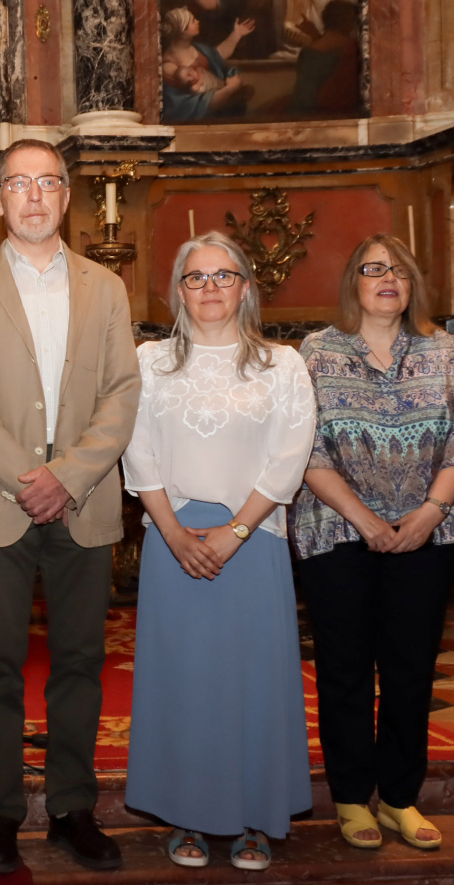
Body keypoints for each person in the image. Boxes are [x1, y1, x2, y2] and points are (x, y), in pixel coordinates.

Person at [0, 139, 139, 878]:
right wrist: (32, 477)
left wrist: (71, 475)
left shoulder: (106, 288)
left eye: (47, 183)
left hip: (84, 503)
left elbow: (123, 391)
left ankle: (72, 807)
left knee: (82, 662)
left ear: (65, 196)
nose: (33, 196)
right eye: (18, 184)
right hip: (1, 501)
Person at [121, 231, 316, 871]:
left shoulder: (280, 363)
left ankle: (257, 816)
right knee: (185, 684)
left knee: (252, 682)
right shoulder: (149, 361)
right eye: (196, 277)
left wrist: (233, 533)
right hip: (170, 537)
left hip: (252, 538)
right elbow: (138, 449)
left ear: (246, 287)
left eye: (223, 276)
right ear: (178, 290)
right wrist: (174, 532)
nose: (210, 288)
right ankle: (188, 815)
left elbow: (291, 454)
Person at [292, 235, 454, 852]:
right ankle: (352, 799)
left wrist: (430, 514)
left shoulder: (442, 351)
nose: (387, 279)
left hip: (424, 536)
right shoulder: (316, 353)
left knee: (409, 671)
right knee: (344, 670)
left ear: (412, 286)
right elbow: (305, 450)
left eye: (399, 271)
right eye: (374, 269)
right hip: (337, 533)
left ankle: (400, 798)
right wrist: (366, 520)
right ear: (353, 280)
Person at [159, 6, 253, 123]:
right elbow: (194, 105)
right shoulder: (169, 66)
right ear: (183, 30)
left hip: (220, 109)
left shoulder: (198, 48)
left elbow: (218, 54)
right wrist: (229, 89)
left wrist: (236, 34)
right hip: (200, 122)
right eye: (193, 21)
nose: (198, 21)